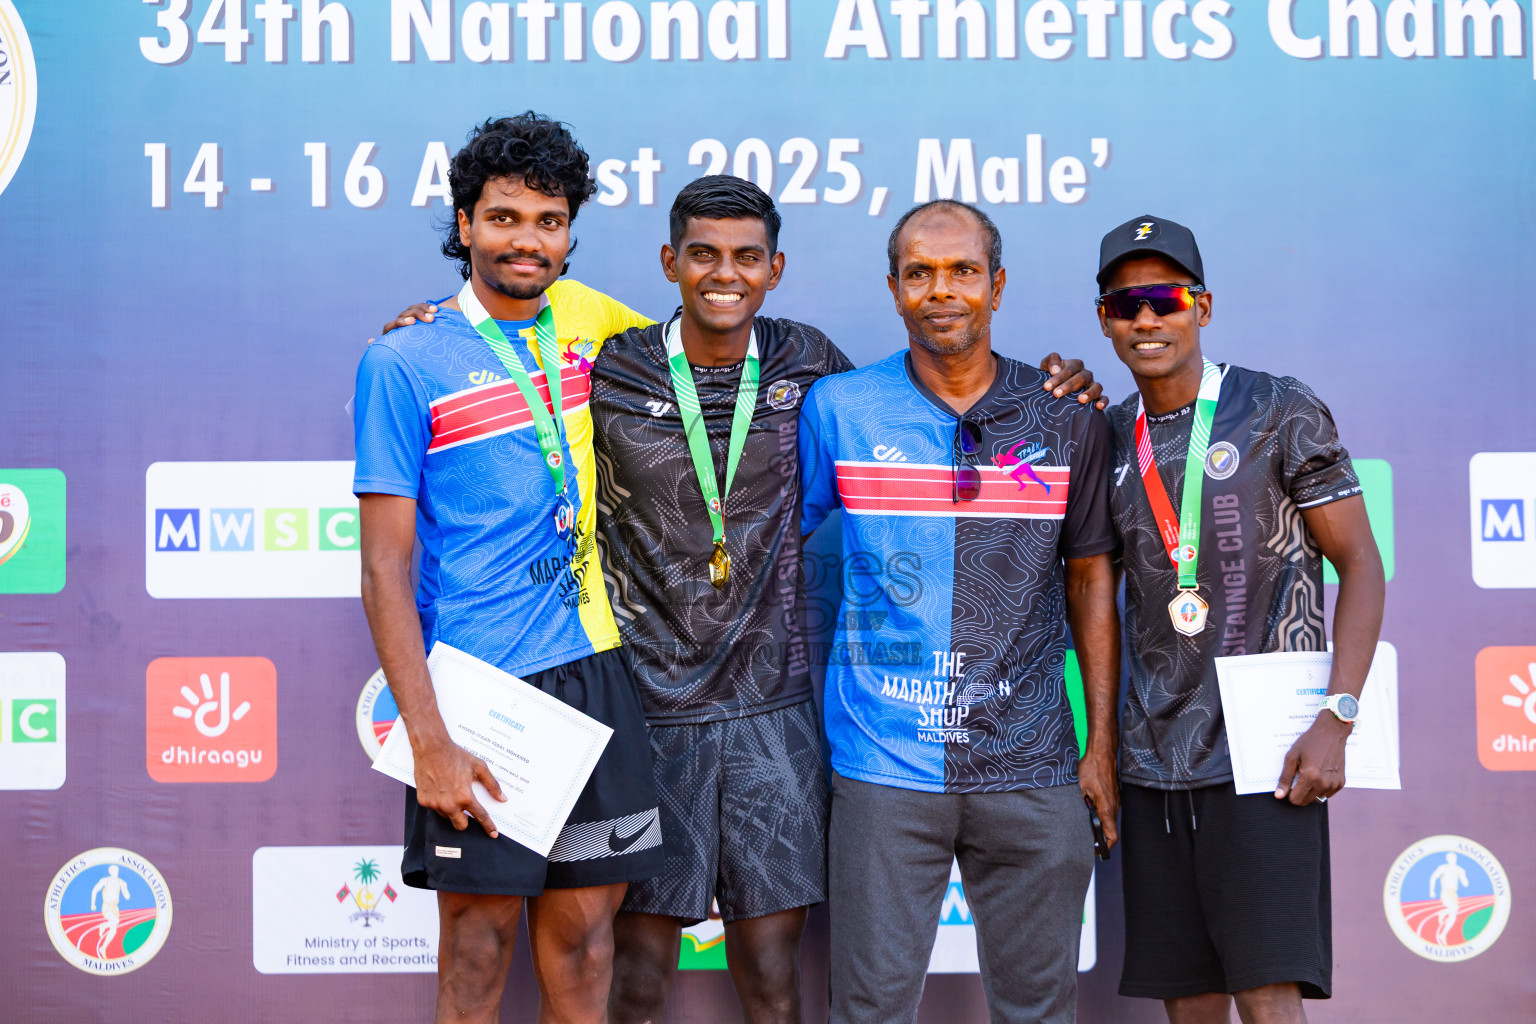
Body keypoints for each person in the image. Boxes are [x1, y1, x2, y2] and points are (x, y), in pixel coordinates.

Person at [382, 178, 1106, 1023]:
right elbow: (509, 316)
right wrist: (430, 321)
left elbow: (921, 403)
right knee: (636, 973)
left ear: (775, 269)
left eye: (747, 257)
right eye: (703, 255)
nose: (724, 274)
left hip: (775, 713)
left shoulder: (816, 368)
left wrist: (1063, 387)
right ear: (670, 263)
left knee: (772, 974)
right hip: (646, 709)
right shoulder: (609, 358)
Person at [353, 112, 663, 1024]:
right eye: (504, 218)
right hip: (481, 691)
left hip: (599, 672)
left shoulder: (594, 318)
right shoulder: (402, 359)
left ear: (570, 232)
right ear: (463, 224)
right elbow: (383, 569)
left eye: (549, 220)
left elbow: (716, 356)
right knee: (477, 953)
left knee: (585, 952)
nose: (527, 240)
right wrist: (430, 740)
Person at [798, 199, 1122, 1024]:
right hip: (883, 763)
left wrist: (1101, 747)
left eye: (963, 272)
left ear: (998, 285)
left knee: (1040, 1010)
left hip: (1033, 762)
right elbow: (766, 552)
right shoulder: (839, 409)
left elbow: (1090, 579)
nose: (943, 291)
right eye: (921, 274)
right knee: (868, 1010)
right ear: (896, 290)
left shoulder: (1066, 412)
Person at [1096, 215, 1385, 1024]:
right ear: (1105, 319)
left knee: (1266, 999)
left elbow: (1361, 563)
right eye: (1126, 305)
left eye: (1165, 299)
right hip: (1153, 764)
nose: (1147, 319)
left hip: (1265, 757)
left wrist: (1340, 715)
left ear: (1203, 306)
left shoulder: (1276, 406)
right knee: (1190, 1006)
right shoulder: (1112, 433)